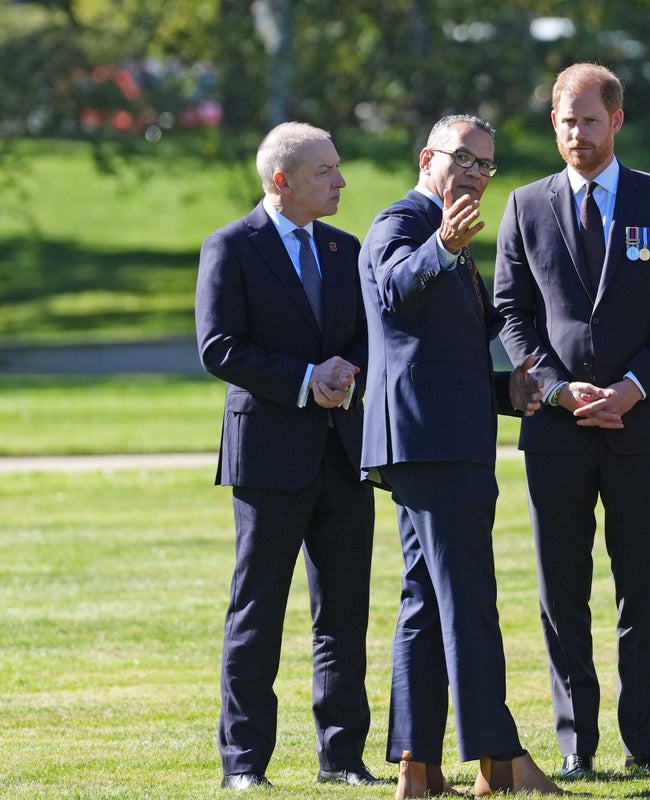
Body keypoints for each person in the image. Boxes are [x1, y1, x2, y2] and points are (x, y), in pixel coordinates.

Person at [492, 62, 650, 780]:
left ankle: (645, 744)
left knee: (640, 590)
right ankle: (575, 746)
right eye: (564, 121)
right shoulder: (525, 206)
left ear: (616, 121)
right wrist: (554, 388)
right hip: (557, 430)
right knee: (562, 592)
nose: (576, 133)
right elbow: (511, 313)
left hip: (641, 428)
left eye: (589, 120)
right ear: (552, 125)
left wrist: (636, 386)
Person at [357, 113, 564, 798]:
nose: (475, 173)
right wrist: (442, 245)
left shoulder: (452, 240)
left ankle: (418, 769)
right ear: (427, 158)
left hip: (438, 439)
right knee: (469, 599)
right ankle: (500, 764)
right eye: (464, 159)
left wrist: (513, 389)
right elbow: (391, 289)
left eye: (486, 166)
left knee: (424, 602)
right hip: (434, 446)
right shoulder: (405, 222)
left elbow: (443, 355)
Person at [195, 122, 384, 790]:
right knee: (258, 612)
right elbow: (220, 347)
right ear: (282, 179)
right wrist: (308, 378)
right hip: (269, 459)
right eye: (325, 171)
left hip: (342, 454)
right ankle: (244, 765)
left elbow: (367, 335)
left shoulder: (344, 248)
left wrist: (346, 372)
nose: (340, 181)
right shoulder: (230, 247)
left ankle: (342, 759)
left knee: (344, 615)